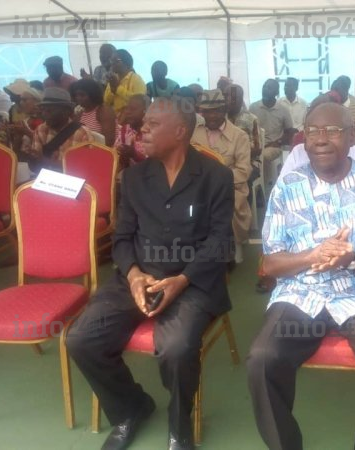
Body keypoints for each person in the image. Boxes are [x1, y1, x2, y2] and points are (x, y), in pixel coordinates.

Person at [66, 96, 235, 450]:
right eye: (144, 122)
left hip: (192, 281)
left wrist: (183, 280)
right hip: (138, 278)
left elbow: (221, 242)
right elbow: (122, 238)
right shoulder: (134, 178)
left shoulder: (215, 177)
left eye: (152, 124)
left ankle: (179, 425)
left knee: (176, 347)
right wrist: (133, 275)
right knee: (81, 339)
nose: (142, 129)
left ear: (180, 131)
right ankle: (130, 408)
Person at [247, 102, 355, 450]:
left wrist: (350, 259)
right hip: (300, 295)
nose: (321, 139)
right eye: (312, 131)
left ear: (352, 137)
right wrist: (311, 256)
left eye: (333, 131)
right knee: (262, 359)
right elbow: (271, 264)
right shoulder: (287, 187)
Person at [192, 89, 252, 264]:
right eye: (207, 111)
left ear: (224, 110)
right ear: (202, 113)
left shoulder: (239, 136)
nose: (212, 116)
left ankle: (230, 251)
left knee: (225, 203)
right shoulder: (193, 134)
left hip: (230, 187)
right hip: (198, 187)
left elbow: (243, 172)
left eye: (216, 111)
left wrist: (218, 181)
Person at [25, 87, 94, 172]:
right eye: (43, 110)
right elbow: (35, 168)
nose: (45, 114)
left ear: (67, 112)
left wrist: (47, 162)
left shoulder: (82, 134)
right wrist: (32, 158)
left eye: (49, 111)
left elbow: (85, 168)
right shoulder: (41, 130)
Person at [249, 79, 295, 188]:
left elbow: (290, 132)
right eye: (264, 86)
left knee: (264, 156)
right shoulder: (253, 107)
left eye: (269, 88)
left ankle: (264, 188)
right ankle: (249, 188)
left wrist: (278, 142)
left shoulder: (283, 110)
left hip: (274, 146)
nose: (265, 89)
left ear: (276, 92)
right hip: (255, 144)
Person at [70, 78, 117, 146]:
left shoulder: (104, 111)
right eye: (76, 95)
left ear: (93, 95)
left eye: (82, 95)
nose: (78, 98)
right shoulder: (79, 114)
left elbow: (109, 141)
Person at [104, 49, 147, 122]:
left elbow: (140, 102)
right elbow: (106, 102)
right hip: (116, 120)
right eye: (111, 60)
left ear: (126, 63)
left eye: (116, 60)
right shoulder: (113, 79)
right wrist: (113, 90)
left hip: (132, 120)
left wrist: (118, 89)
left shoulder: (136, 79)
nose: (112, 63)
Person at [114, 94, 149, 168]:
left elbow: (155, 166)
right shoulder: (126, 129)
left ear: (146, 111)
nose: (127, 112)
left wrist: (134, 155)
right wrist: (121, 155)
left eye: (133, 109)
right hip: (128, 171)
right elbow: (115, 154)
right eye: (127, 108)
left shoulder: (153, 134)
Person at [8, 86, 44, 158]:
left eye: (24, 100)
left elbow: (46, 145)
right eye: (21, 100)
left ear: (36, 101)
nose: (21, 103)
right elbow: (15, 151)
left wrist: (25, 131)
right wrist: (17, 135)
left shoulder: (45, 120)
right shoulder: (25, 121)